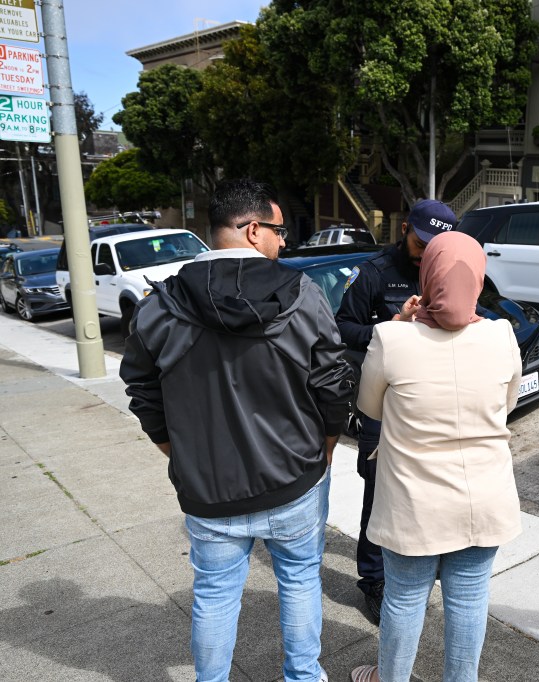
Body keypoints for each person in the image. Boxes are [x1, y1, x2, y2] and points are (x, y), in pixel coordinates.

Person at [120, 178, 354, 682]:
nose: (284, 241)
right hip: (295, 477)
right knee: (299, 581)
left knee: (215, 594)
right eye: (278, 230)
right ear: (252, 231)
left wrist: (177, 453)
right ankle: (304, 678)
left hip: (209, 490)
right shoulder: (302, 294)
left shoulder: (159, 305)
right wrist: (327, 447)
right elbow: (334, 385)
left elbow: (142, 392)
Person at [349, 231, 523, 682]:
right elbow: (505, 406)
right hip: (483, 499)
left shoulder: (391, 337)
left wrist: (404, 323)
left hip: (414, 503)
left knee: (404, 599)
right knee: (468, 599)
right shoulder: (502, 335)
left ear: (426, 277)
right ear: (479, 280)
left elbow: (370, 407)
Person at [335, 198, 458, 624]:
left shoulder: (447, 270)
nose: (426, 251)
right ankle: (373, 580)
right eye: (420, 240)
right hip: (382, 404)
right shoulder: (374, 272)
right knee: (379, 494)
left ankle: (415, 568)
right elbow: (342, 327)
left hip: (430, 405)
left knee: (422, 494)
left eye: (435, 244)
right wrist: (392, 329)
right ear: (404, 227)